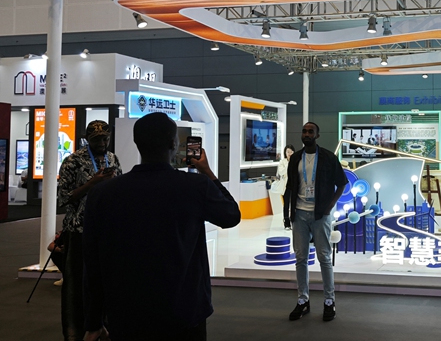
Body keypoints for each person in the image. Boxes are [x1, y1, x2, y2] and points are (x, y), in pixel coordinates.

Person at [82, 113, 240, 341]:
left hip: (126, 314)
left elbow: (92, 262)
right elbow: (231, 216)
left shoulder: (102, 194)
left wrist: (93, 322)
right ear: (174, 144)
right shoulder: (195, 187)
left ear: (137, 143)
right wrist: (208, 172)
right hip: (184, 312)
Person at [57, 120, 122, 341]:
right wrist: (91, 184)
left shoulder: (113, 159)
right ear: (87, 140)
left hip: (107, 231)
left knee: (105, 283)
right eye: (97, 140)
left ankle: (101, 325)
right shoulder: (72, 162)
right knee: (77, 285)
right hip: (79, 231)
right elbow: (62, 198)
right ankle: (75, 330)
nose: (102, 143)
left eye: (106, 138)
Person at [283, 122, 347, 322]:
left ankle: (329, 301)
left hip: (320, 215)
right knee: (301, 259)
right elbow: (290, 187)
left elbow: (342, 183)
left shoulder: (328, 158)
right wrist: (287, 214)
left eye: (311, 131)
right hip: (300, 214)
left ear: (317, 135)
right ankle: (303, 300)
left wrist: (329, 207)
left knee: (324, 258)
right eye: (304, 131)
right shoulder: (295, 159)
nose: (307, 134)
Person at [273, 144, 295, 229]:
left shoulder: (296, 161)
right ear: (285, 153)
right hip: (286, 186)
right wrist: (289, 163)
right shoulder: (282, 162)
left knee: (294, 205)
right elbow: (281, 172)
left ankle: (293, 221)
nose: (289, 153)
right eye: (288, 152)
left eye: (291, 151)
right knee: (286, 205)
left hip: (294, 186)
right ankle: (286, 222)